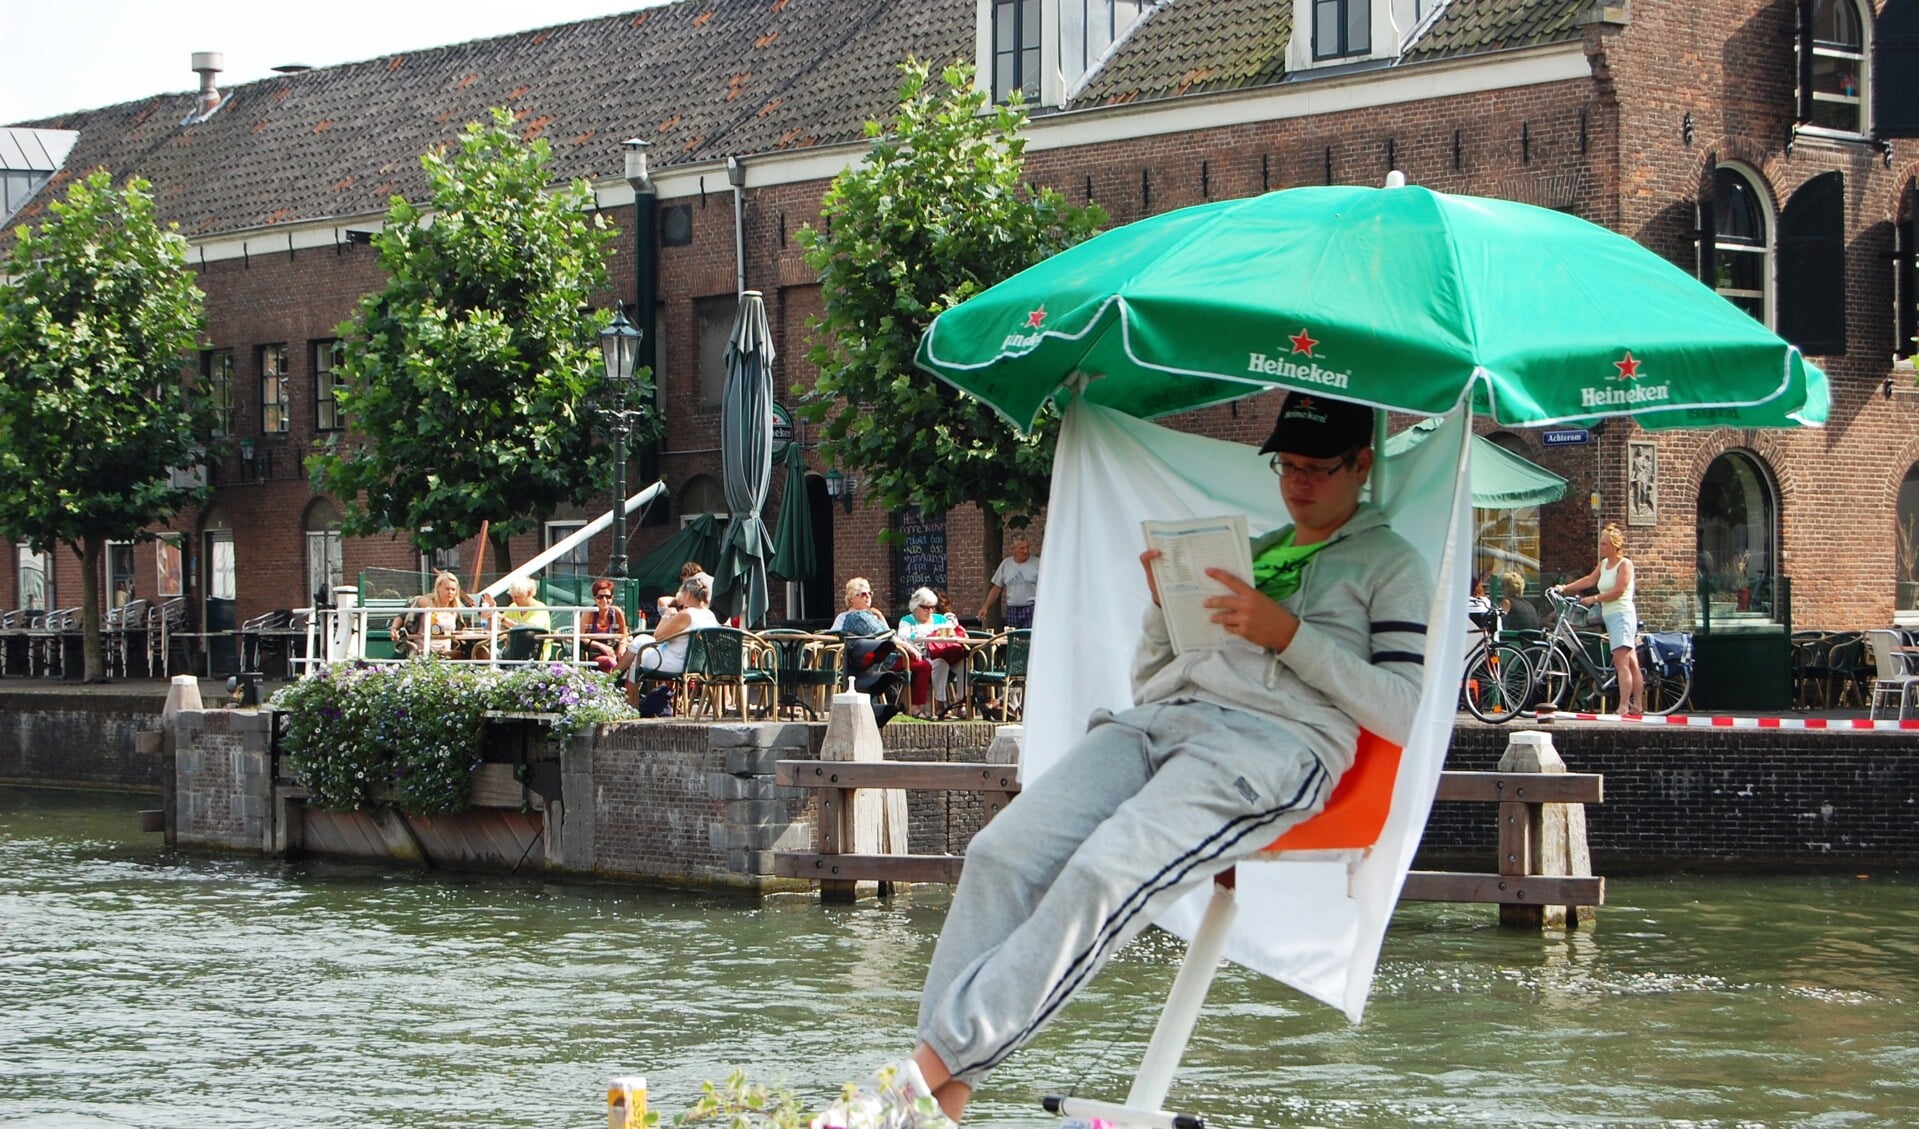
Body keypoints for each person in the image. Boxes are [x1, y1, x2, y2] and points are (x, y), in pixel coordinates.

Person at [810, 392, 1432, 1128]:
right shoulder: (1254, 550)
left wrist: (1287, 633)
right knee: (998, 852)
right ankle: (943, 1099)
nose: (1297, 482)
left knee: (1102, 874)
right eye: (1285, 465)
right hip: (1160, 723)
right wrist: (1163, 608)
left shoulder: (1392, 565)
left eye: (1317, 468)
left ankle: (917, 1079)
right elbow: (1158, 678)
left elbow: (1399, 707)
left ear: (1361, 464)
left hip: (1273, 750)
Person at [1552, 522, 1642, 715]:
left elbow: (1619, 590)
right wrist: (1565, 588)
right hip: (1609, 616)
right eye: (1600, 544)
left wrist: (1594, 598)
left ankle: (1624, 705)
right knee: (1631, 662)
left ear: (1614, 545)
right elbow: (1589, 580)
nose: (1600, 547)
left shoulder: (1624, 564)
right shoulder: (1603, 565)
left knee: (1621, 663)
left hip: (1622, 615)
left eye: (1604, 544)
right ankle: (1639, 705)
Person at [612, 575, 718, 708]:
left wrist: (667, 614)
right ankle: (617, 684)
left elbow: (658, 635)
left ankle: (622, 693)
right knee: (641, 642)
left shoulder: (686, 614)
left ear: (689, 593)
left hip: (674, 663)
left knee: (638, 649)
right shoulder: (710, 615)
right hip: (695, 663)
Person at [897, 587, 967, 719]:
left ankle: (960, 702)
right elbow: (903, 637)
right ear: (916, 607)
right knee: (940, 663)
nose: (930, 611)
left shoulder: (940, 619)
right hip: (924, 656)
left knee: (965, 663)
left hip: (946, 653)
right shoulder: (907, 621)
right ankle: (941, 703)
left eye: (932, 607)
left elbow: (953, 633)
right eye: (926, 608)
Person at [391, 570, 478, 658]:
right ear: (438, 588)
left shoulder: (455, 609)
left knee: (474, 653)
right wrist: (394, 629)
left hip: (446, 654)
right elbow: (403, 616)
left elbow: (459, 632)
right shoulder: (425, 602)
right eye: (447, 589)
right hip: (422, 652)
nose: (450, 592)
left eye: (453, 589)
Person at [976, 536, 1039, 630]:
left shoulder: (1038, 563)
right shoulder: (1006, 564)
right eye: (1022, 548)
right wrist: (985, 607)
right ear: (1013, 549)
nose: (1026, 551)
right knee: (1013, 639)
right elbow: (997, 588)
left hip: (1031, 608)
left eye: (1027, 547)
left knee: (1028, 639)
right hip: (1012, 609)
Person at [583, 578, 632, 671]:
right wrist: (601, 646)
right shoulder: (589, 613)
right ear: (594, 598)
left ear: (612, 597)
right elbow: (581, 637)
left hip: (615, 650)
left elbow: (624, 633)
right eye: (600, 597)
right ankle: (610, 684)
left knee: (634, 660)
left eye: (608, 596)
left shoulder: (617, 612)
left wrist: (622, 646)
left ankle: (630, 685)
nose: (604, 600)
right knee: (611, 662)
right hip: (595, 653)